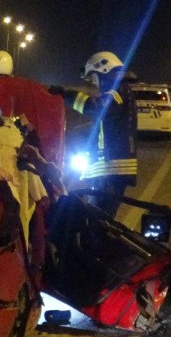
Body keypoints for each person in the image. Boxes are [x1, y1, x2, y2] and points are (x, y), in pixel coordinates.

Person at [48, 50, 138, 217]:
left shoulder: (118, 91)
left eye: (94, 77)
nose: (95, 84)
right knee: (99, 219)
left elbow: (96, 108)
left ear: (104, 71)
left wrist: (66, 94)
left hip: (111, 169)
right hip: (111, 170)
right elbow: (107, 125)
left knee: (98, 221)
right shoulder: (122, 92)